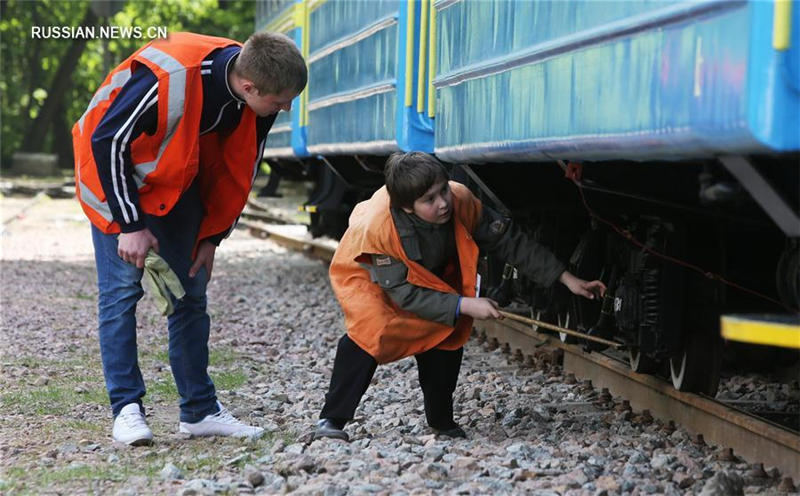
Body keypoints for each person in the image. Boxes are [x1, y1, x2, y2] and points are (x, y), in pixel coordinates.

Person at [72, 31, 306, 445]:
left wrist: (213, 236)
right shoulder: (172, 76)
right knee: (122, 293)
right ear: (249, 87)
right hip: (116, 180)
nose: (286, 108)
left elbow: (240, 166)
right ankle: (126, 410)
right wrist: (130, 225)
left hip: (178, 184)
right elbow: (108, 140)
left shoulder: (258, 91)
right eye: (281, 100)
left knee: (191, 292)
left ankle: (199, 411)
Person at [314, 152, 606, 441]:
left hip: (425, 273)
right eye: (430, 200)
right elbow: (404, 294)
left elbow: (509, 241)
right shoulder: (379, 230)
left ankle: (441, 421)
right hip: (368, 273)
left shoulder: (460, 200)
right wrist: (464, 303)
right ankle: (332, 418)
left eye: (444, 190)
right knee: (370, 331)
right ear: (407, 208)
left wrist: (566, 278)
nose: (443, 203)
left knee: (445, 330)